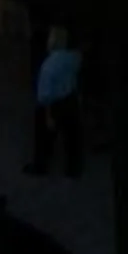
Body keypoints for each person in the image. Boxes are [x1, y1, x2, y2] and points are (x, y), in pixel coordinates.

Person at [27, 29, 84, 177]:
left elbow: (44, 95)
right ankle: (73, 169)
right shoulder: (75, 57)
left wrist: (47, 115)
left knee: (44, 136)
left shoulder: (48, 66)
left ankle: (40, 165)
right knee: (72, 137)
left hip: (53, 103)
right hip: (70, 99)